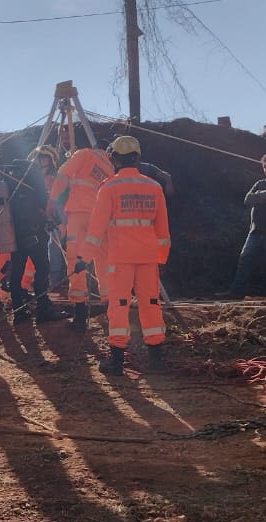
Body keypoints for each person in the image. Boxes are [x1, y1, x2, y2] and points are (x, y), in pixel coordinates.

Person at [78, 136, 170, 376]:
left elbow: (96, 229)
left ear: (114, 159)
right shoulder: (154, 187)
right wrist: (162, 258)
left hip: (120, 258)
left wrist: (83, 258)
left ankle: (117, 362)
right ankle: (157, 359)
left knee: (119, 306)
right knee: (151, 304)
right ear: (137, 158)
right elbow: (162, 230)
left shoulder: (109, 187)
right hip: (148, 257)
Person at [50, 130, 114, 331]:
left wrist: (52, 200)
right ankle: (110, 308)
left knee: (76, 260)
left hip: (78, 215)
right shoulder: (112, 168)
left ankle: (80, 313)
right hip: (101, 220)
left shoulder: (86, 154)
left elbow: (62, 174)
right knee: (103, 262)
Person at [0, 160, 66, 325]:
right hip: (35, 233)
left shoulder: (10, 183)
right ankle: (43, 309)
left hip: (16, 234)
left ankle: (19, 312)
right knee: (42, 269)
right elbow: (45, 205)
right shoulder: (34, 180)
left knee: (17, 272)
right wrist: (53, 221)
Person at [222, 152, 266, 299]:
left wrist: (258, 196)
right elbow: (247, 200)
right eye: (264, 167)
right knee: (244, 260)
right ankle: (236, 291)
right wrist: (265, 195)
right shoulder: (259, 183)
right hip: (255, 231)